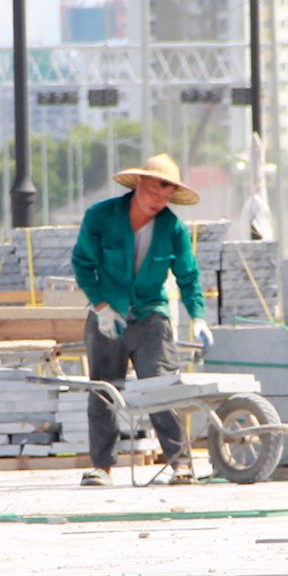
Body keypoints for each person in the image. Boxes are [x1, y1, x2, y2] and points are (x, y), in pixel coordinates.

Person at [70, 153, 212, 486]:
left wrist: (199, 318)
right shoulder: (101, 217)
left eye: (166, 197)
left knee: (163, 388)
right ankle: (101, 467)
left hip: (150, 316)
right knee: (104, 390)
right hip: (109, 315)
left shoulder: (172, 228)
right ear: (138, 183)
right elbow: (81, 264)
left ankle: (181, 465)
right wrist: (102, 307)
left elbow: (189, 277)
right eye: (154, 193)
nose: (159, 202)